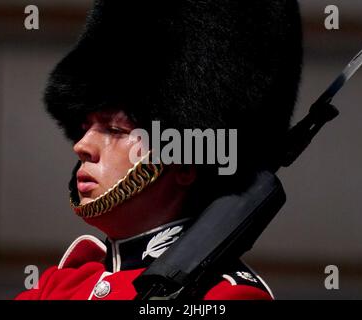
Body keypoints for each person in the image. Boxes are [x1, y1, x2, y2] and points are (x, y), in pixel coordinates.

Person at [15, 0, 302, 300]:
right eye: (86, 127)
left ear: (182, 163)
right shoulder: (55, 288)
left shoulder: (225, 295)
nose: (82, 145)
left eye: (115, 130)